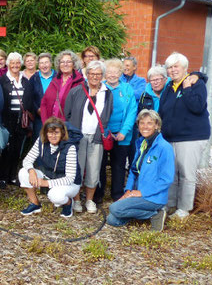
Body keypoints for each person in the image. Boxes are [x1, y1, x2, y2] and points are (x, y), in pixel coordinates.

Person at [159, 52, 210, 219]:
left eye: (176, 66)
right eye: (169, 67)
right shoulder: (169, 87)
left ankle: (184, 209)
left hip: (191, 137)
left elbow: (197, 107)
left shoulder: (196, 84)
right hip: (170, 138)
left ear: (184, 68)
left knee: (187, 174)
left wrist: (187, 88)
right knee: (171, 174)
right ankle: (171, 204)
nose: (173, 70)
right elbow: (162, 112)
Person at [106, 110, 173, 231]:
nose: (145, 127)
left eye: (149, 123)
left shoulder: (164, 147)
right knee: (112, 220)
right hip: (137, 193)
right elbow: (133, 171)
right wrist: (128, 190)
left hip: (153, 197)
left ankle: (155, 214)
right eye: (142, 123)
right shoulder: (141, 143)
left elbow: (166, 179)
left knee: (115, 209)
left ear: (157, 125)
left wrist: (142, 193)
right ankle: (142, 214)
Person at [64, 60, 112, 214]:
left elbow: (107, 114)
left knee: (93, 170)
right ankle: (77, 200)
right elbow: (67, 113)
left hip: (96, 137)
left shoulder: (107, 93)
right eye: (92, 73)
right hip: (78, 137)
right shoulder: (76, 91)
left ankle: (89, 200)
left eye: (98, 74)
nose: (95, 77)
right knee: (76, 169)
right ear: (87, 74)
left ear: (102, 75)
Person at [18, 117, 82, 218]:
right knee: (23, 172)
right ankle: (35, 204)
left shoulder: (70, 147)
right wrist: (31, 171)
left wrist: (46, 183)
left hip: (70, 183)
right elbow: (27, 160)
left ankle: (68, 203)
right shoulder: (41, 141)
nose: (53, 136)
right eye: (50, 133)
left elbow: (70, 178)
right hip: (49, 175)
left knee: (55, 196)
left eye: (56, 132)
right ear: (46, 133)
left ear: (62, 133)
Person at [95, 59, 137, 202]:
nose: (112, 75)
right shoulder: (100, 88)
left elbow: (132, 111)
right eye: (109, 72)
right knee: (99, 165)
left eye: (116, 72)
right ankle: (98, 194)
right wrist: (105, 131)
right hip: (103, 134)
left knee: (118, 165)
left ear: (120, 73)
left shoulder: (127, 89)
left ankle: (117, 194)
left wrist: (124, 132)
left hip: (122, 134)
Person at [0, 52, 32, 188]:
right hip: (7, 119)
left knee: (18, 149)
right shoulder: (1, 81)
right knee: (6, 148)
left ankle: (12, 176)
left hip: (21, 119)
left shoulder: (25, 80)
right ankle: (2, 177)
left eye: (18, 63)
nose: (15, 65)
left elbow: (29, 100)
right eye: (13, 63)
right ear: (8, 64)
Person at [40, 50, 84, 122]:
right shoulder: (55, 80)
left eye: (69, 62)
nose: (65, 64)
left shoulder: (79, 82)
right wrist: (46, 122)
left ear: (74, 64)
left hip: (68, 126)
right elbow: (44, 102)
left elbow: (78, 109)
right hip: (51, 125)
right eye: (62, 62)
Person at [26, 52, 55, 137]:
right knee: (39, 142)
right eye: (42, 63)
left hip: (55, 116)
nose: (44, 65)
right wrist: (37, 109)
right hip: (39, 117)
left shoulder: (58, 77)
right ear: (38, 66)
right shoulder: (33, 79)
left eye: (46, 62)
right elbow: (30, 97)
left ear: (51, 64)